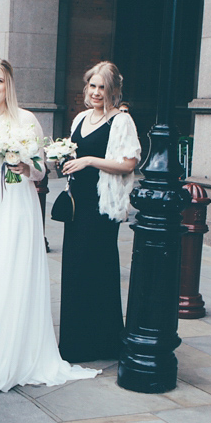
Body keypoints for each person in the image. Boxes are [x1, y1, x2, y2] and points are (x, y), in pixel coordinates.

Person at [0, 58, 100, 392]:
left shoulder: (26, 120)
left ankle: (12, 355)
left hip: (17, 204)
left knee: (10, 273)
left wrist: (24, 164)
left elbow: (42, 171)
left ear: (8, 85)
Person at [56, 61, 141, 363]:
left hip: (102, 206)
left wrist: (90, 160)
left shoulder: (121, 121)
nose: (95, 92)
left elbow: (129, 163)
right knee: (74, 268)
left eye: (102, 87)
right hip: (77, 203)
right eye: (92, 85)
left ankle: (102, 342)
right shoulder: (80, 118)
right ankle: (75, 343)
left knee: (97, 268)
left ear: (113, 90)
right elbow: (74, 155)